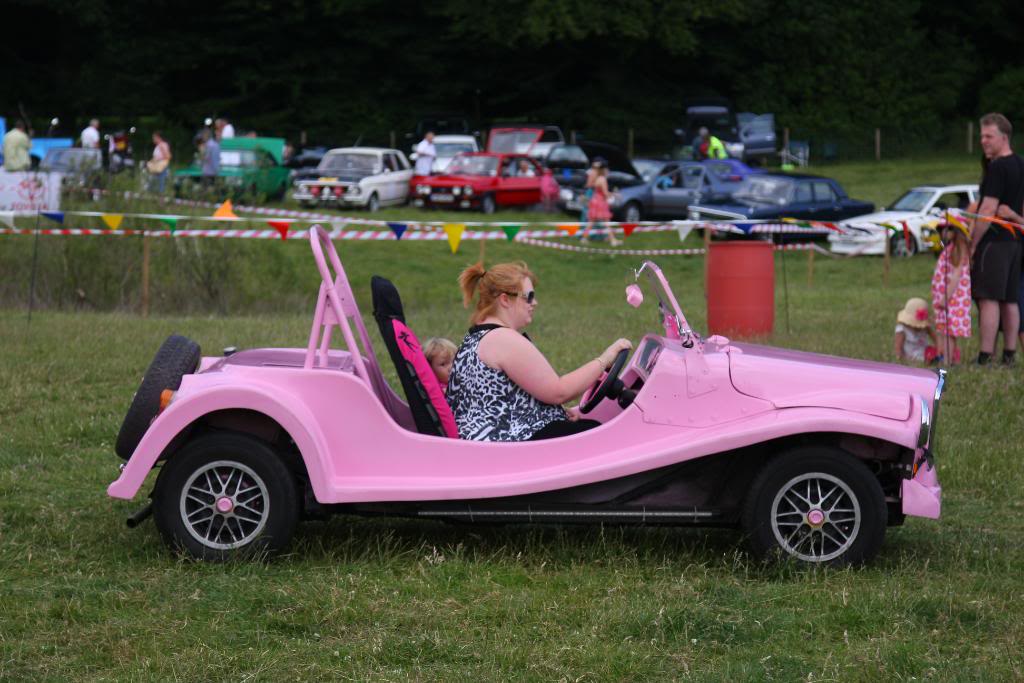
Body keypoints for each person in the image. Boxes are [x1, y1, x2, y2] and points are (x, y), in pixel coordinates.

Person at [446, 261, 632, 441]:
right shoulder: (503, 339)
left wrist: (547, 411)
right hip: (508, 445)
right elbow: (559, 391)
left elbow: (498, 401)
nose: (535, 303)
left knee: (591, 429)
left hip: (491, 440)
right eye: (529, 296)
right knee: (601, 434)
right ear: (504, 299)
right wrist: (604, 359)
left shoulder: (476, 338)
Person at [969, 113, 1022, 366]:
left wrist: (973, 243)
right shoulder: (1020, 164)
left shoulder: (998, 167)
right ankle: (1009, 355)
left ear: (1004, 137)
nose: (983, 141)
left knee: (988, 298)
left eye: (988, 136)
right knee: (1010, 299)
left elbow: (987, 210)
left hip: (995, 242)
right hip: (1015, 243)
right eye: (981, 136)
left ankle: (985, 356)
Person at [931, 220, 972, 364]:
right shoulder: (950, 248)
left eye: (948, 229)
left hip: (953, 298)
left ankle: (947, 360)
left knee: (950, 331)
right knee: (944, 329)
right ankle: (944, 356)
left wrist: (945, 297)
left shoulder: (960, 250)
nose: (943, 233)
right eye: (942, 229)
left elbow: (956, 276)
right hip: (944, 296)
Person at [580, 161, 621, 246]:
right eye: (607, 169)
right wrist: (615, 195)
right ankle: (613, 240)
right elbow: (605, 193)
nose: (608, 171)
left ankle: (584, 238)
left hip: (594, 201)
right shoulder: (603, 179)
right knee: (606, 222)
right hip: (601, 202)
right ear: (604, 170)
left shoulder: (597, 178)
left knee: (591, 222)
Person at [894, 297, 937, 363]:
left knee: (935, 354)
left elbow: (935, 339)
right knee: (923, 359)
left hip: (924, 351)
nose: (919, 328)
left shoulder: (925, 327)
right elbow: (898, 348)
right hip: (911, 355)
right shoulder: (902, 329)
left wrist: (939, 348)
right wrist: (902, 358)